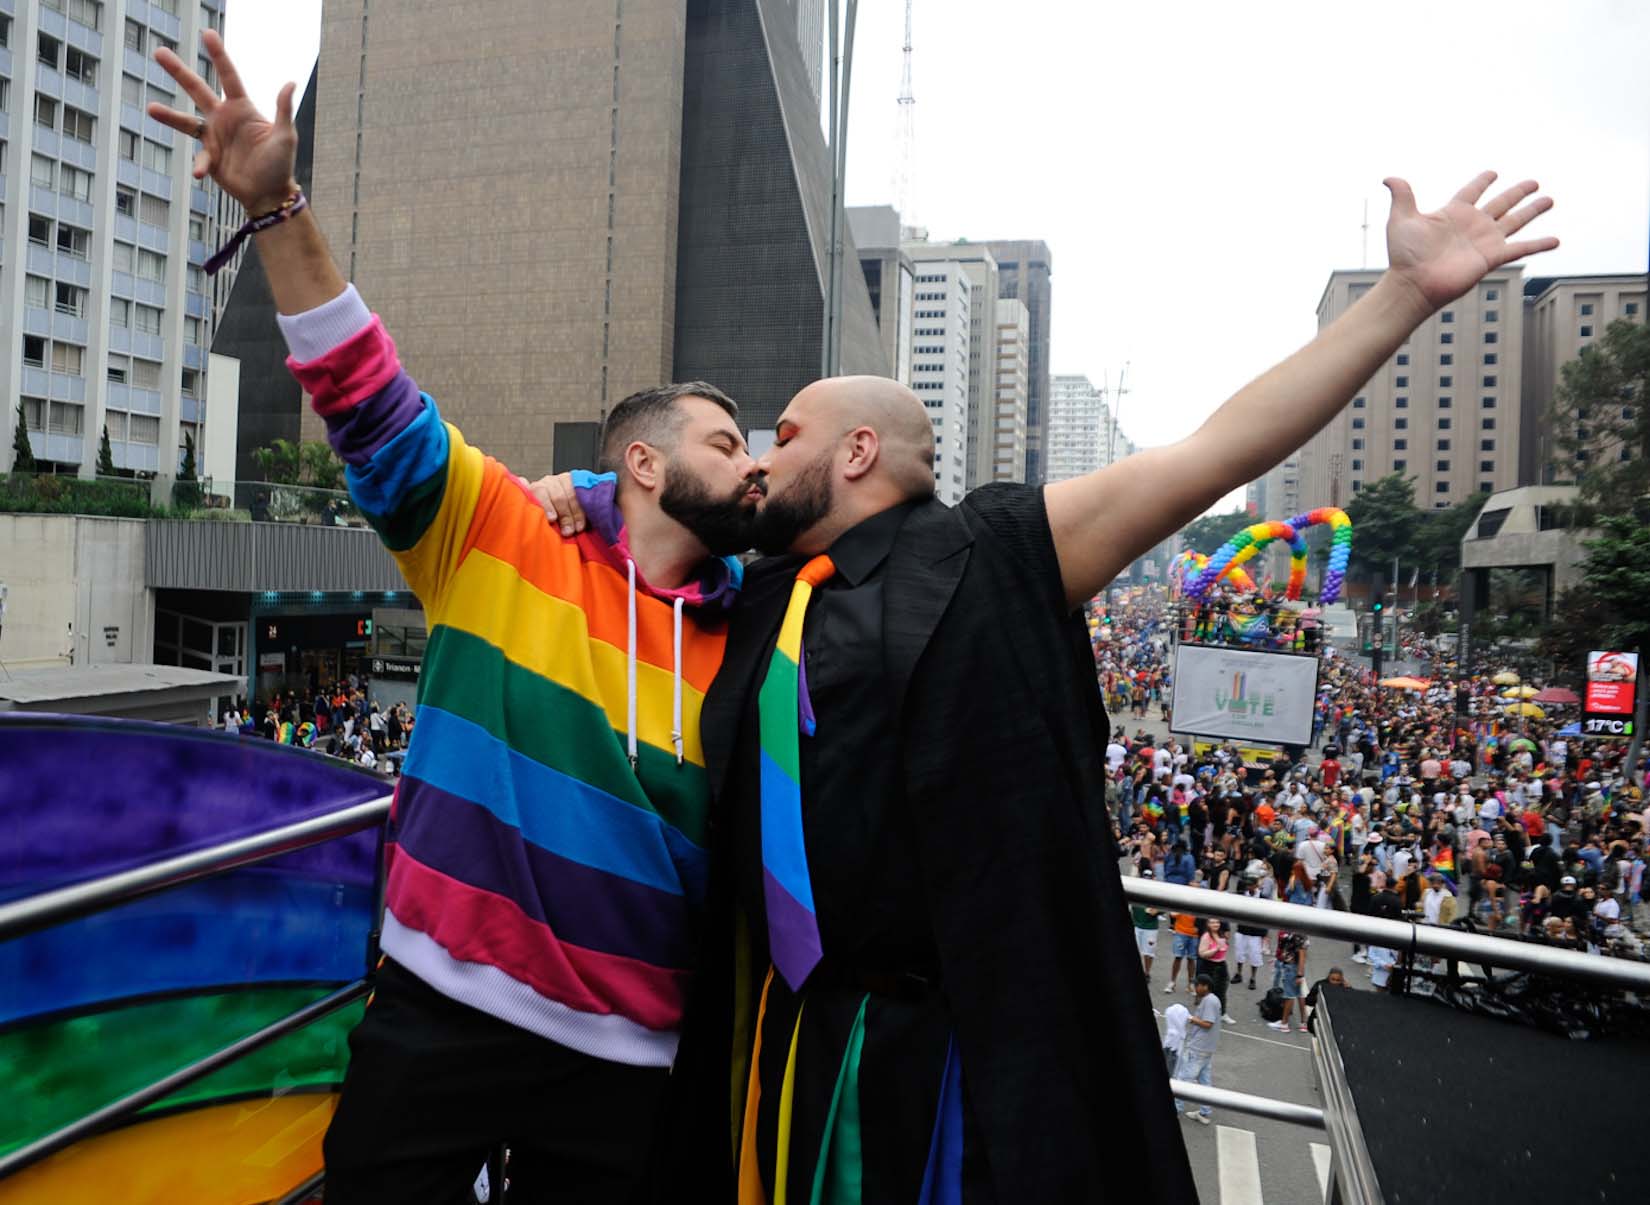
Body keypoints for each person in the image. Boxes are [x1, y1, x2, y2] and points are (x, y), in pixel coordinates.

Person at [534, 163, 1558, 1199]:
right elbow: (653, 520)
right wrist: (581, 488)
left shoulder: (997, 553)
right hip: (778, 1030)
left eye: (784, 435)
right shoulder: (755, 591)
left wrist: (1404, 295)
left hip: (948, 1050)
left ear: (857, 450)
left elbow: (1211, 451)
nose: (760, 459)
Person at [146, 35, 768, 1203]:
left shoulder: (755, 636)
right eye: (728, 443)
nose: (753, 467)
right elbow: (366, 398)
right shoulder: (495, 532)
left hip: (635, 1058)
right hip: (444, 1006)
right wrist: (278, 207)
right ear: (640, 459)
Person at [1174, 976, 1223, 1126]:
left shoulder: (1209, 1001)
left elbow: (1208, 1023)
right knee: (1204, 1081)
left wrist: (1190, 1018)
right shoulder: (1213, 1000)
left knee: (1183, 1079)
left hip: (1198, 1048)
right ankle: (1204, 1112)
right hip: (1207, 1048)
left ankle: (1176, 1107)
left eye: (1197, 986)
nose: (1195, 988)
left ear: (1205, 986)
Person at [1268, 929, 1309, 1033]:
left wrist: (1299, 974)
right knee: (1300, 994)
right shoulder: (1300, 934)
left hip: (1292, 968)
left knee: (1289, 995)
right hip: (1294, 967)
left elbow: (1302, 955)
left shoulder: (1298, 935)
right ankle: (1303, 1023)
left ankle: (1284, 1023)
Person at [1196, 917, 1235, 1023]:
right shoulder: (1206, 936)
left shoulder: (1222, 934)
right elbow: (1202, 953)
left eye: (1217, 922)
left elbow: (1224, 949)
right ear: (1208, 924)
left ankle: (1222, 1013)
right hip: (1209, 966)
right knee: (1208, 992)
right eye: (1212, 922)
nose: (1215, 924)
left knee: (1222, 991)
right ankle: (1204, 1014)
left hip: (1221, 965)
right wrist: (1215, 949)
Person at [1131, 868, 1162, 979]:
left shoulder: (1156, 893)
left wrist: (1156, 911)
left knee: (1148, 953)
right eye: (1145, 877)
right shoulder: (1136, 891)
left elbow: (1162, 908)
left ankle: (1147, 973)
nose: (1147, 880)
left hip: (1150, 927)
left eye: (1149, 878)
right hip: (1136, 925)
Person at [1304, 966, 1348, 1035]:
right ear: (1328, 977)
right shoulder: (1320, 985)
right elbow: (1308, 1001)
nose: (1335, 982)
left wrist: (1349, 990)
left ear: (1342, 980)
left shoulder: (1344, 988)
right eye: (1333, 979)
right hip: (1320, 1018)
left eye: (1338, 980)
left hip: (1335, 1022)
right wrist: (1319, 997)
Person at [1167, 910, 1201, 995]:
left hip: (1195, 934)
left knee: (1191, 959)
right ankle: (1172, 982)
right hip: (1180, 932)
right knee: (1178, 957)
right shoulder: (1183, 898)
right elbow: (1172, 914)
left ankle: (1191, 985)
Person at [1161, 1000, 1190, 1079]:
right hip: (1176, 1045)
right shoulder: (1180, 1033)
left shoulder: (1169, 1013)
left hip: (1169, 1042)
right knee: (1172, 1062)